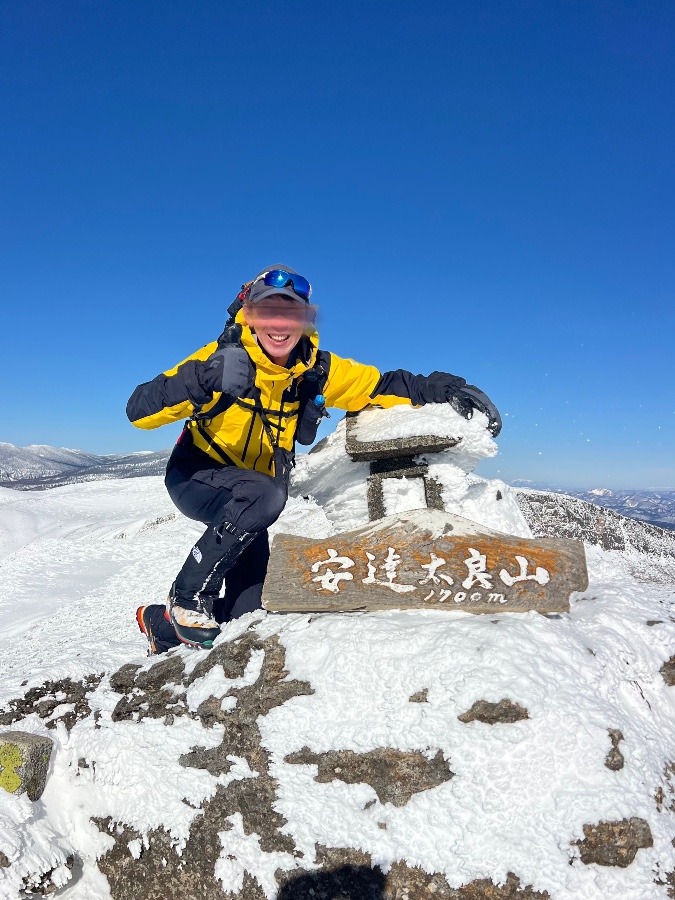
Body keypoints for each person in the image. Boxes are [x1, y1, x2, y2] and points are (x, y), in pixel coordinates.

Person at [127, 265, 501, 654]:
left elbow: (381, 384)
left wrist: (443, 386)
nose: (279, 323)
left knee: (250, 611)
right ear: (249, 315)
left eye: (291, 313)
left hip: (250, 498)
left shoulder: (315, 370)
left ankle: (161, 625)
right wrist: (202, 378)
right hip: (196, 475)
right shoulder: (219, 360)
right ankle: (187, 598)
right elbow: (138, 410)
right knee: (265, 494)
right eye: (268, 311)